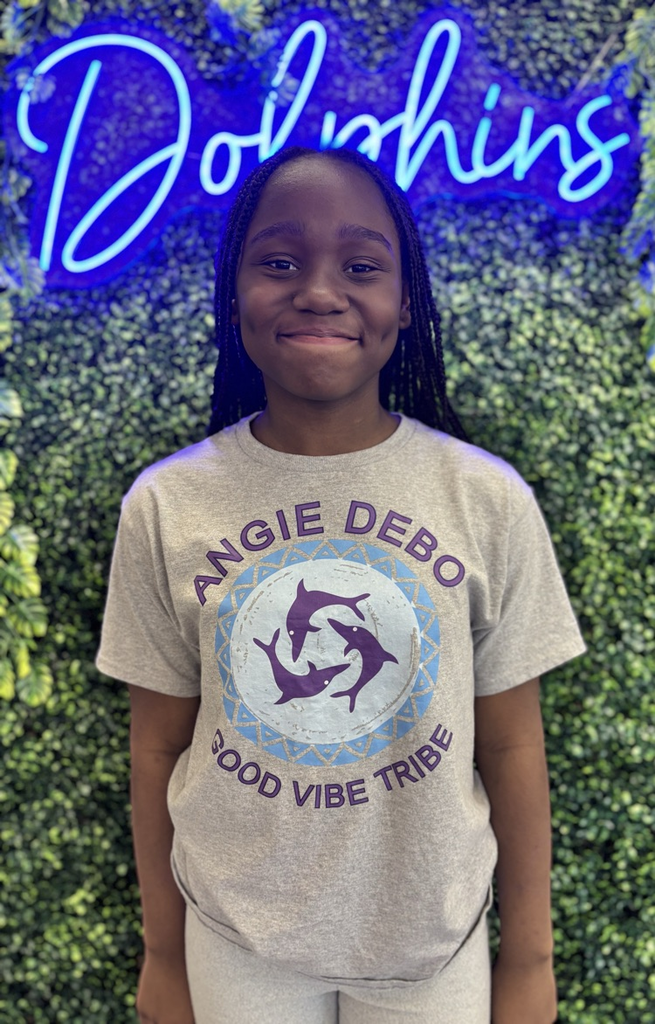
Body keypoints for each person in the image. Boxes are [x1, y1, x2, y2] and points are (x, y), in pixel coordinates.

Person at [97, 145, 586, 1024]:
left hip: (430, 941)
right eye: (278, 262)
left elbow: (511, 749)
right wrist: (164, 953)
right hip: (235, 934)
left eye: (361, 266)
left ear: (404, 302)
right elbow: (156, 751)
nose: (319, 290)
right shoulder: (167, 504)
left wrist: (528, 963)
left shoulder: (484, 499)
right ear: (234, 293)